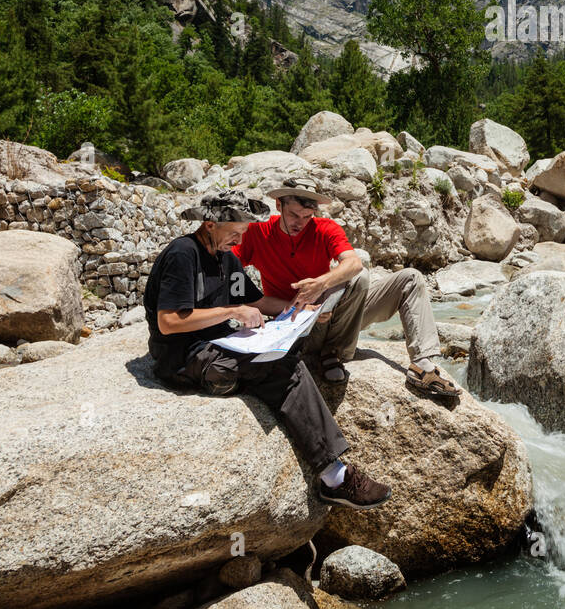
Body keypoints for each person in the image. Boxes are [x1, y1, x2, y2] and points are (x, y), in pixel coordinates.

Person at [143, 189, 392, 509]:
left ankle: (334, 475)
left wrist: (300, 308)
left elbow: (256, 300)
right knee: (279, 367)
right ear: (209, 225)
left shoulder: (227, 257)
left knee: (284, 358)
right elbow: (169, 322)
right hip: (184, 355)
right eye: (233, 231)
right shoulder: (183, 253)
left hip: (221, 344)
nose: (239, 238)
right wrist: (232, 313)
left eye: (243, 231)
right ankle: (336, 477)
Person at [234, 176, 462, 401]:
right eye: (293, 214)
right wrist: (298, 308)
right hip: (296, 327)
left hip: (337, 316)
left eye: (307, 216)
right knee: (354, 279)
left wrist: (320, 284)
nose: (300, 223)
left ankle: (422, 366)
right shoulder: (257, 233)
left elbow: (354, 263)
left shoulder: (324, 229)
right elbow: (228, 275)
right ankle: (330, 354)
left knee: (407, 278)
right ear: (279, 205)